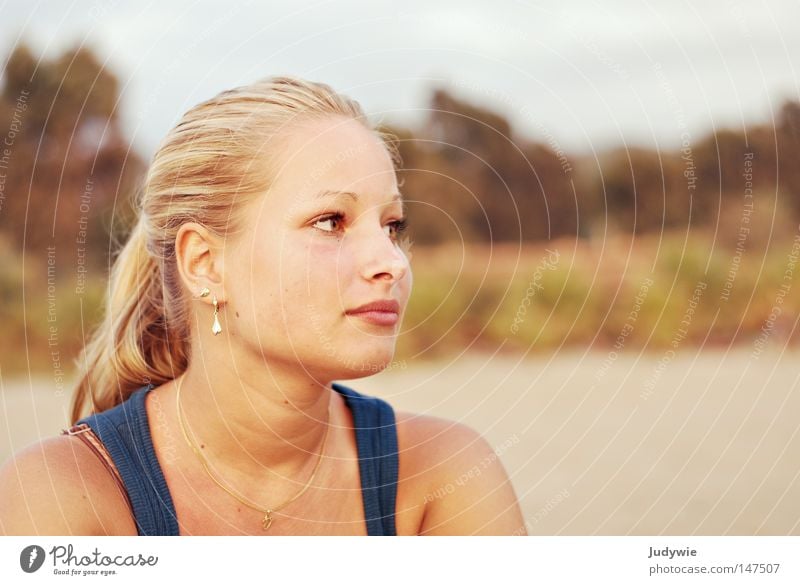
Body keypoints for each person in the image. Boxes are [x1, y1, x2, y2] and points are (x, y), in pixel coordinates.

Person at [0, 76, 526, 536]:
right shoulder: (61, 502)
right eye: (330, 221)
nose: (391, 262)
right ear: (205, 263)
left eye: (392, 226)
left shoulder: (439, 479)